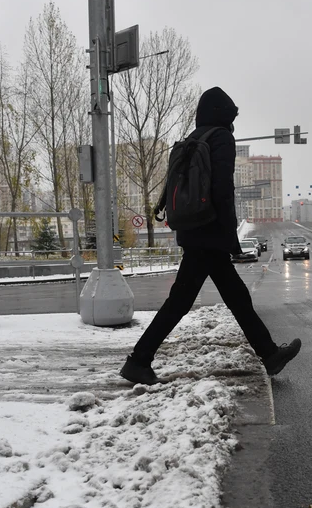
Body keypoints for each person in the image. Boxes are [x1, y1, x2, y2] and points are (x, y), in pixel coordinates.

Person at [119, 87, 301, 385]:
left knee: (232, 296)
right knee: (184, 300)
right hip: (209, 231)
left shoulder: (193, 139)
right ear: (223, 115)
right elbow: (222, 192)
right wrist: (230, 237)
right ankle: (138, 360)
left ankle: (269, 353)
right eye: (231, 117)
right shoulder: (220, 138)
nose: (233, 124)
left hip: (193, 228)